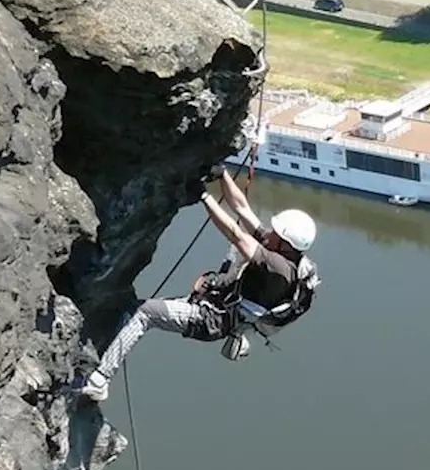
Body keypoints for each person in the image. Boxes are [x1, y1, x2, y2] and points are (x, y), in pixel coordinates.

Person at [78, 168, 317, 402]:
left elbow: (237, 236)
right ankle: (104, 355)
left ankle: (100, 380)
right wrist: (222, 175)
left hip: (211, 319)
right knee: (134, 309)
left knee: (144, 313)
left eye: (277, 233)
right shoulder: (282, 250)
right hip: (213, 305)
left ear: (285, 244)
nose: (270, 233)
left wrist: (204, 196)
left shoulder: (279, 268)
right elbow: (242, 208)